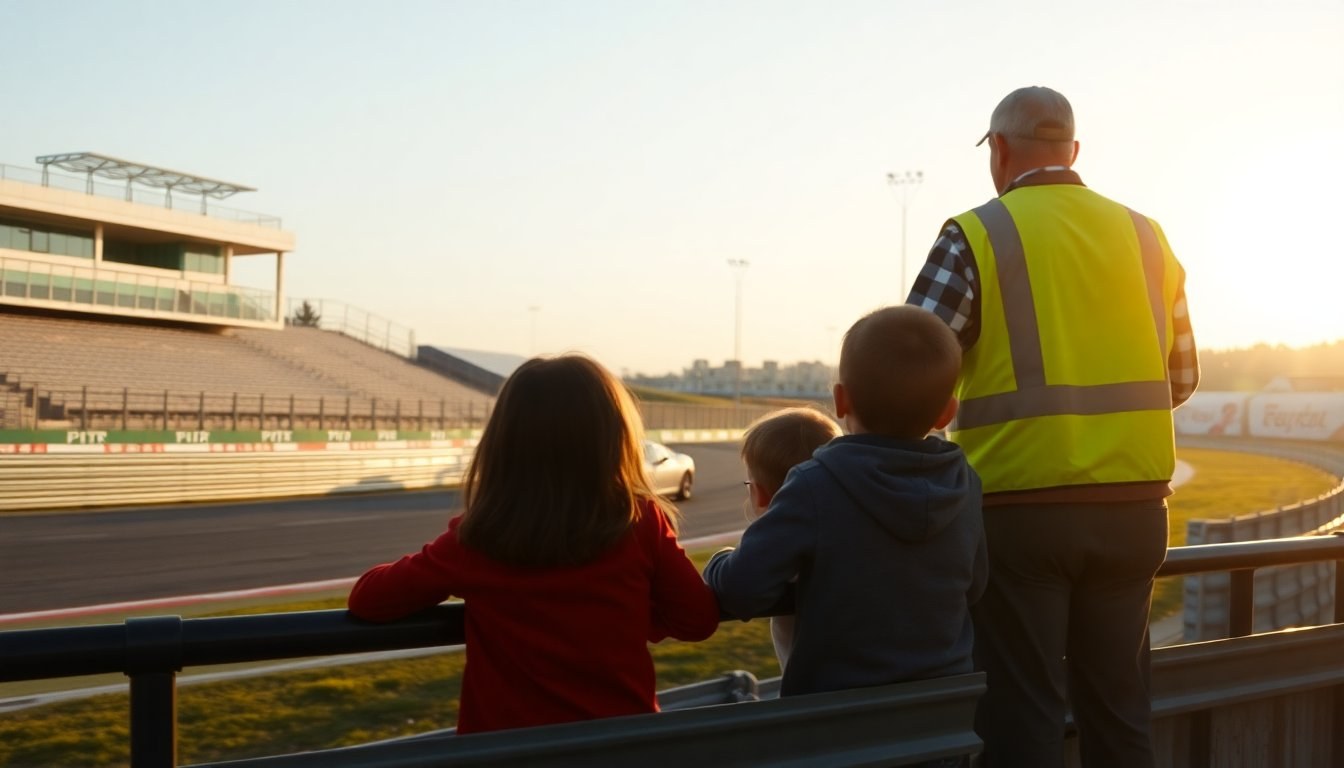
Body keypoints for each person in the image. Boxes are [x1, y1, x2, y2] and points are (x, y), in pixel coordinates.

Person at [906, 86, 1200, 767]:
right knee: (1120, 710)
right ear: (1073, 151)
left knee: (1024, 714)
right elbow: (1179, 379)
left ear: (999, 151)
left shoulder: (977, 233)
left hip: (1018, 514)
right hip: (1135, 512)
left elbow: (907, 367)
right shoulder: (1147, 236)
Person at [347, 354, 720, 734]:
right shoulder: (639, 522)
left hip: (506, 751)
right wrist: (631, 619)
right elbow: (698, 619)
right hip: (617, 745)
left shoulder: (477, 538)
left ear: (504, 441)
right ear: (613, 435)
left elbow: (368, 598)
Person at [704, 305, 987, 701]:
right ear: (947, 413)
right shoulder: (966, 484)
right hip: (941, 721)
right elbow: (975, 585)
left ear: (840, 400)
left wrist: (718, 563)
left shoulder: (815, 485)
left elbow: (741, 589)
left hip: (835, 728)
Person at [738, 406, 844, 671]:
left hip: (813, 701)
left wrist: (719, 561)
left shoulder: (777, 552)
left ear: (760, 495)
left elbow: (736, 588)